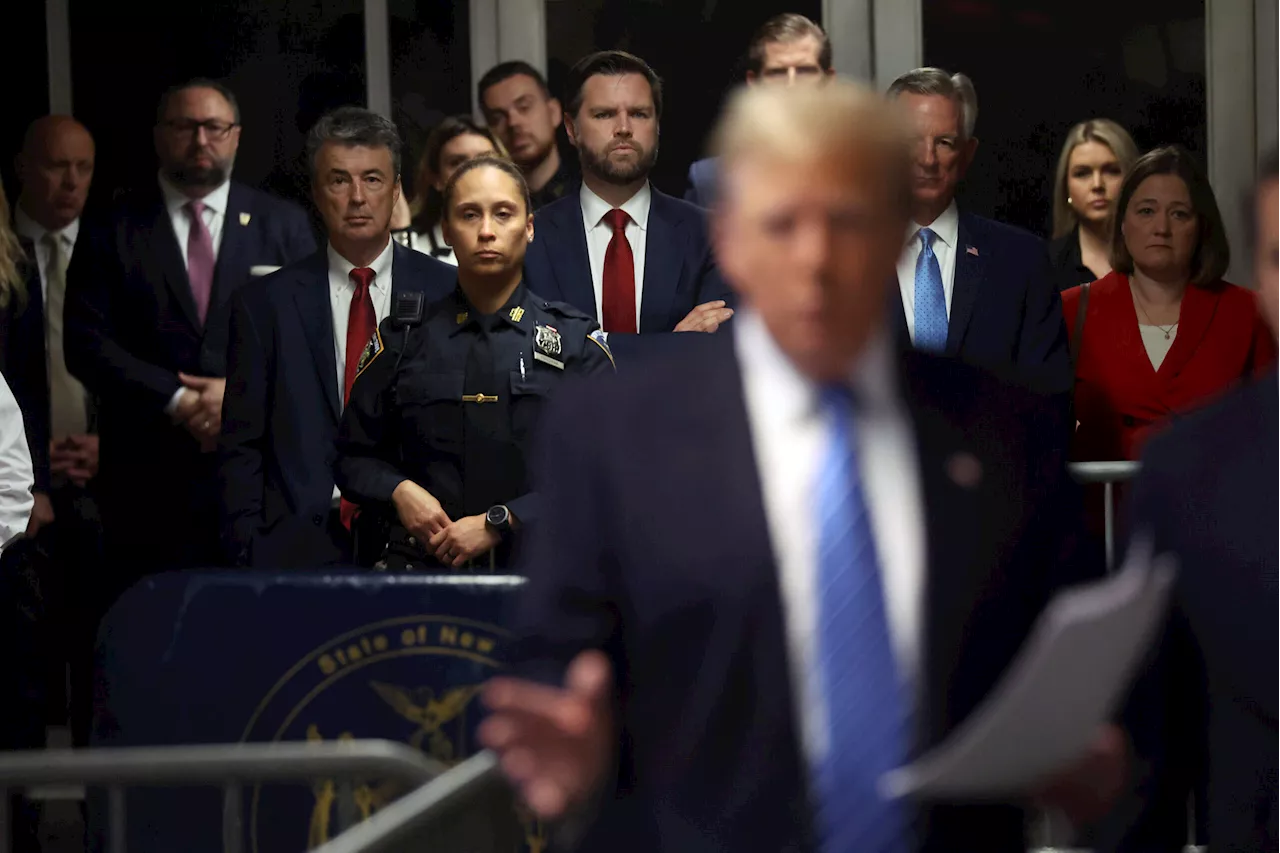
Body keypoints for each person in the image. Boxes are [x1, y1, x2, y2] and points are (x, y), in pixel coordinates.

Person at [479, 80, 1121, 852]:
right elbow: (551, 657)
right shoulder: (614, 434)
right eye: (782, 223)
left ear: (895, 233)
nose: (816, 258)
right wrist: (568, 743)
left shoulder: (1002, 431)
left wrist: (1097, 752)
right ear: (730, 238)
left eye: (847, 220)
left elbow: (1080, 667)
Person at [64, 78, 316, 581]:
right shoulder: (112, 226)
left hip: (257, 483)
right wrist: (177, 398)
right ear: (159, 135)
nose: (201, 141)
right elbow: (84, 343)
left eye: (214, 127)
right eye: (185, 126)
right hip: (143, 482)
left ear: (236, 136)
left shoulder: (283, 225)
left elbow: (312, 342)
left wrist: (240, 396)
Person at [1101, 149, 1280, 852]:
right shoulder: (1187, 475)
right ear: (1263, 277)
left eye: (1179, 212)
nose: (1163, 226)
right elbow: (1156, 738)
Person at [336, 156, 614, 571]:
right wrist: (399, 490)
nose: (487, 231)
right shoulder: (401, 339)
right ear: (447, 231)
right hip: (422, 578)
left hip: (544, 577)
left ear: (530, 227)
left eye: (504, 214)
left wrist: (504, 521)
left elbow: (606, 469)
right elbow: (350, 458)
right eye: (469, 215)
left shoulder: (576, 343)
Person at [219, 108, 456, 569]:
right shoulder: (264, 303)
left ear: (397, 189)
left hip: (422, 538)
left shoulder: (448, 291)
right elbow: (241, 444)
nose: (357, 197)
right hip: (295, 543)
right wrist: (247, 544)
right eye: (338, 181)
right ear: (315, 192)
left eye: (372, 179)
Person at [1063, 145, 1273, 466]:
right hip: (1107, 510)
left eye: (1179, 214)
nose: (1161, 228)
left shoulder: (1246, 313)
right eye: (1146, 211)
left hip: (1215, 508)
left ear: (1201, 226)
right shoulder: (1072, 309)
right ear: (1122, 222)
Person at [523, 50, 734, 362]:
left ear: (657, 125)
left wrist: (583, 348)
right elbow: (532, 355)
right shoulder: (531, 239)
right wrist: (669, 346)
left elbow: (714, 356)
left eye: (639, 113)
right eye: (604, 114)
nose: (623, 127)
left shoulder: (711, 235)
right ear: (571, 128)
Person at [885, 68, 1071, 392]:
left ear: (967, 154)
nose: (928, 159)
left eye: (944, 142)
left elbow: (1049, 399)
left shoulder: (1020, 261)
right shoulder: (847, 257)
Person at [13, 115, 105, 749]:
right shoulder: (1, 256)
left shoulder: (108, 252)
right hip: (14, 494)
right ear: (22, 168)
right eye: (55, 166)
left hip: (100, 480)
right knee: (22, 670)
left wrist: (110, 447)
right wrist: (29, 473)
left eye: (84, 168)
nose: (71, 182)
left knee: (98, 659)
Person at [685, 13, 833, 208]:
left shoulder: (864, 172)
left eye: (805, 70)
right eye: (777, 72)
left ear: (828, 80)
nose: (791, 84)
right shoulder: (711, 182)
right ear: (754, 82)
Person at [397, 115, 506, 263]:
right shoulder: (411, 248)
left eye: (485, 159)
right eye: (457, 162)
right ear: (436, 179)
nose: (473, 170)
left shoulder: (527, 239)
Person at [1048, 119, 1140, 292]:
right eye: (1082, 173)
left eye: (1111, 170)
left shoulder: (1156, 259)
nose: (1097, 184)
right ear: (1066, 187)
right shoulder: (1047, 266)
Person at [479, 61, 578, 210]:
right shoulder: (489, 207)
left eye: (524, 107)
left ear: (553, 112)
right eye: (497, 118)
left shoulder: (589, 193)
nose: (513, 122)